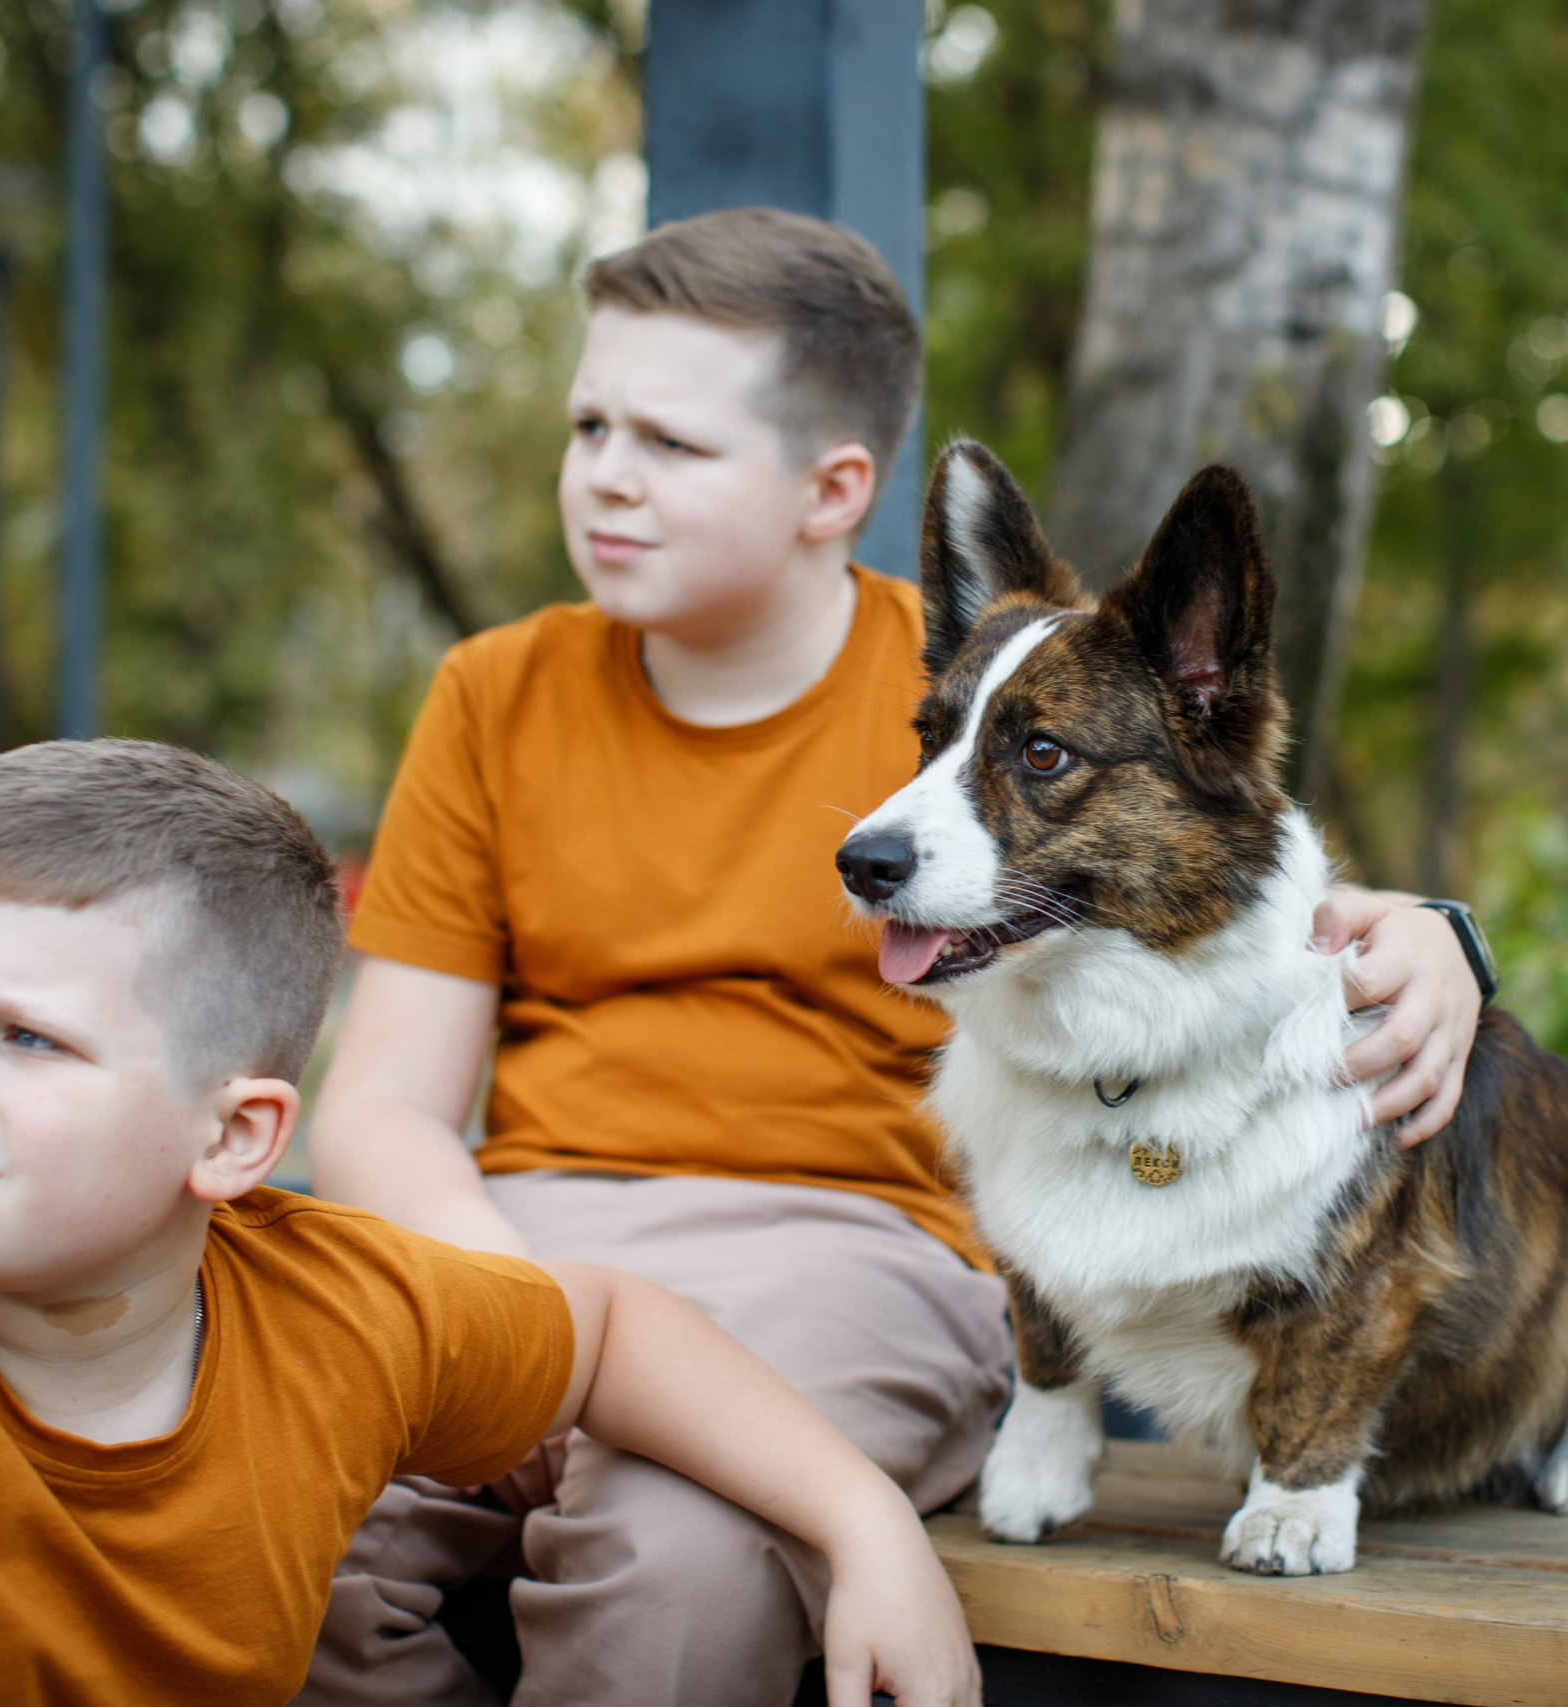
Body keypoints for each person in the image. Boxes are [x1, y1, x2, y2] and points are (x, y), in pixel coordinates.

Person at [302, 207, 1489, 1707]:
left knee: (675, 1559)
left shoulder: (979, 683)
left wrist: (1441, 942)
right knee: (294, 1522)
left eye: (668, 442)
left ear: (833, 488)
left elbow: (1211, 879)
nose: (604, 473)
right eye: (588, 423)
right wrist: (511, 1310)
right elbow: (385, 1106)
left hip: (845, 1251)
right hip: (527, 1232)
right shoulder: (495, 694)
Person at [0, 741, 981, 1707]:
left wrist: (866, 1527)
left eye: (24, 1039)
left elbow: (612, 1331)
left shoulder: (329, 1314)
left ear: (237, 1137)